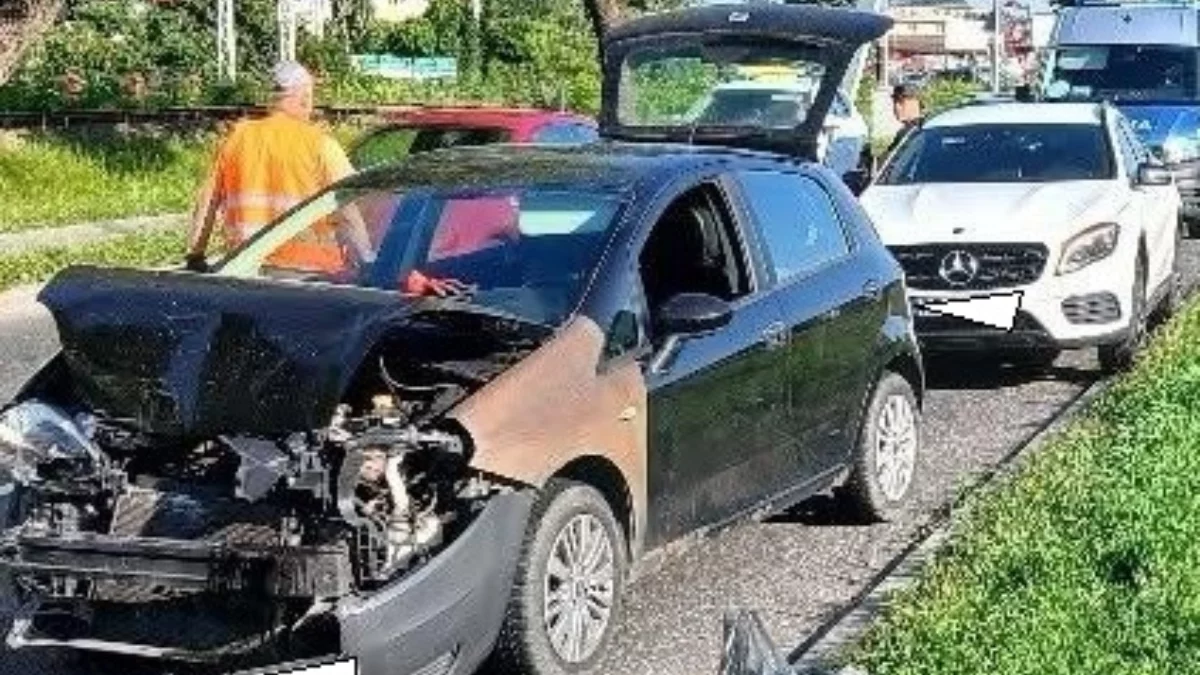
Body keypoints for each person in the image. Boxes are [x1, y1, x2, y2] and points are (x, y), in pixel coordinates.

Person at [184, 60, 368, 274]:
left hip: (245, 269)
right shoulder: (320, 144)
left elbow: (207, 202)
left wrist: (195, 255)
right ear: (304, 98)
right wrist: (367, 259)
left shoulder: (236, 139)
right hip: (309, 273)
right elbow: (348, 210)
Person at [886, 84, 923, 156]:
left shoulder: (912, 133)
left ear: (915, 102)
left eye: (900, 101)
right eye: (895, 101)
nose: (896, 106)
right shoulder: (914, 130)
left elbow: (893, 156)